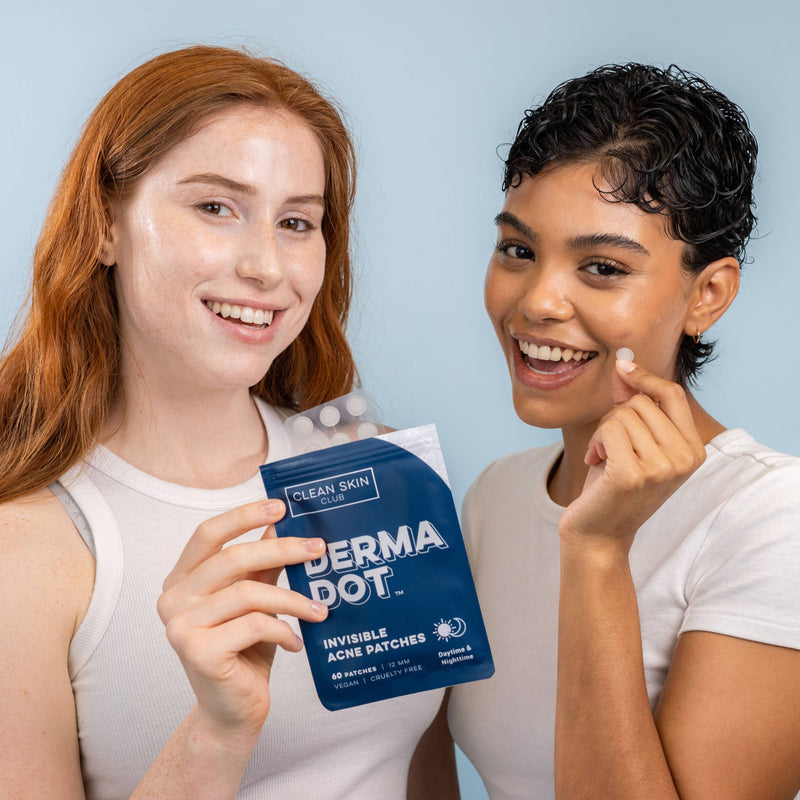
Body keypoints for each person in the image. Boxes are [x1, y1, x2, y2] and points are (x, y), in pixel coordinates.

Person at [0, 45, 455, 799]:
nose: (268, 268)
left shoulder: (372, 467)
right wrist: (217, 730)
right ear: (105, 224)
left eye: (297, 222)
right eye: (216, 207)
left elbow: (423, 771)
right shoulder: (28, 552)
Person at [447, 63, 800, 799]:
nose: (538, 301)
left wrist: (599, 551)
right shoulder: (495, 497)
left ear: (708, 294)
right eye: (518, 250)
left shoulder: (774, 522)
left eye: (602, 267)